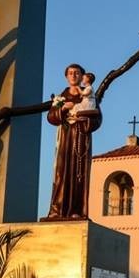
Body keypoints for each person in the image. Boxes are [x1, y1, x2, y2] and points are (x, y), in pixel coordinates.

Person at [45, 63, 102, 220]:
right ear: (66, 76)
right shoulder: (61, 97)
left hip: (80, 138)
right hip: (65, 137)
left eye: (77, 73)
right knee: (61, 172)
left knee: (79, 173)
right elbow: (51, 117)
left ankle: (76, 210)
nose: (73, 75)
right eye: (70, 73)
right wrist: (62, 109)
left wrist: (84, 120)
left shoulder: (89, 96)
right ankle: (57, 210)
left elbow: (97, 118)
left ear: (82, 76)